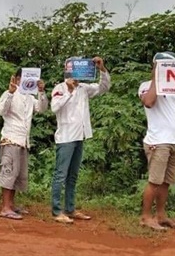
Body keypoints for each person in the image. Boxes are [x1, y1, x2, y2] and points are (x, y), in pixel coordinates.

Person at [50, 56, 110, 224]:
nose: (75, 72)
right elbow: (54, 107)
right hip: (66, 137)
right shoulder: (59, 88)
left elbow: (104, 87)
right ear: (67, 69)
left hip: (80, 136)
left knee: (73, 175)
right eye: (72, 68)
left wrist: (102, 69)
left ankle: (70, 208)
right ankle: (56, 211)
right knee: (61, 175)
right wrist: (69, 91)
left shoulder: (84, 88)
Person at [138, 52, 175, 231]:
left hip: (173, 141)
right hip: (158, 141)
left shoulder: (174, 87)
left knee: (166, 181)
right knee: (155, 181)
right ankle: (145, 217)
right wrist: (157, 76)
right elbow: (149, 102)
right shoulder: (146, 86)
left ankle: (161, 215)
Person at [0, 69, 48, 220]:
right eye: (24, 78)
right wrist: (11, 93)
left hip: (24, 141)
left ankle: (11, 205)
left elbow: (42, 109)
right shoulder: (8, 93)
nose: (28, 81)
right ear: (17, 79)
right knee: (9, 172)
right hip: (11, 138)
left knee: (18, 174)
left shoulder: (30, 97)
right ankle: (5, 208)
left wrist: (41, 92)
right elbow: (0, 111)